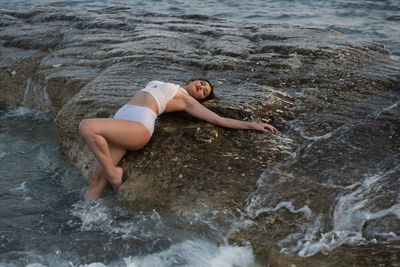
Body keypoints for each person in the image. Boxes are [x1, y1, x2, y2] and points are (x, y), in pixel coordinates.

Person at [78, 79, 277, 201]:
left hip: (138, 127)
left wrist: (253, 125)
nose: (201, 87)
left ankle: (114, 174)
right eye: (201, 83)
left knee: (87, 126)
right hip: (121, 123)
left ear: (200, 99)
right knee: (96, 180)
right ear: (192, 80)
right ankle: (87, 224)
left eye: (205, 91)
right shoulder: (172, 86)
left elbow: (219, 120)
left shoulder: (187, 100)